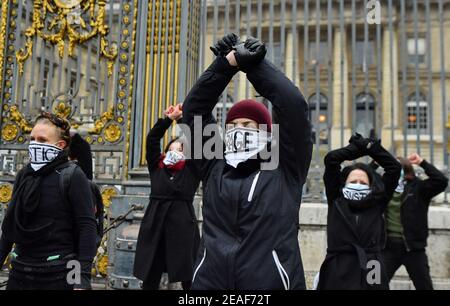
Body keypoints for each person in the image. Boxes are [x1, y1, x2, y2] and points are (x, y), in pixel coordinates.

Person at [182, 34, 312, 290]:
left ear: (265, 130)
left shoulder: (285, 166)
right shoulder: (213, 164)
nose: (239, 130)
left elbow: (294, 108)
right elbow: (193, 111)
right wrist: (224, 66)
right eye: (233, 125)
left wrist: (254, 66)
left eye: (247, 125)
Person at [0, 112, 97, 290]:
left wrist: (82, 278)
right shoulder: (24, 175)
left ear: (60, 145)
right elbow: (11, 224)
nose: (35, 144)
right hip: (21, 271)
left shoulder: (73, 176)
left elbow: (87, 226)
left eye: (42, 140)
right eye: (32, 139)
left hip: (60, 272)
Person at [317, 133, 401, 290]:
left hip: (371, 266)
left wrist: (369, 147)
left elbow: (394, 168)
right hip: (338, 266)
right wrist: (355, 149)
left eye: (362, 182)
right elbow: (331, 159)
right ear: (344, 184)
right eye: (353, 181)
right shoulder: (336, 198)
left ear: (370, 186)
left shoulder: (378, 201)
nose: (358, 184)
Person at [133, 104, 201, 290]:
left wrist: (181, 120)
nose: (177, 151)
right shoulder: (157, 166)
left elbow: (198, 143)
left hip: (182, 225)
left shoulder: (192, 169)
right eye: (173, 147)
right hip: (155, 223)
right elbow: (152, 139)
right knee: (151, 272)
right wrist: (167, 120)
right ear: (166, 151)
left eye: (182, 148)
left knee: (188, 273)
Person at [382, 153, 448, 290]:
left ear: (406, 169)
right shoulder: (382, 187)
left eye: (397, 167)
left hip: (413, 249)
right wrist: (376, 162)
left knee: (424, 286)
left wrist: (422, 162)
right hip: (386, 248)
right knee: (372, 283)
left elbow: (441, 181)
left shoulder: (418, 188)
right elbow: (363, 176)